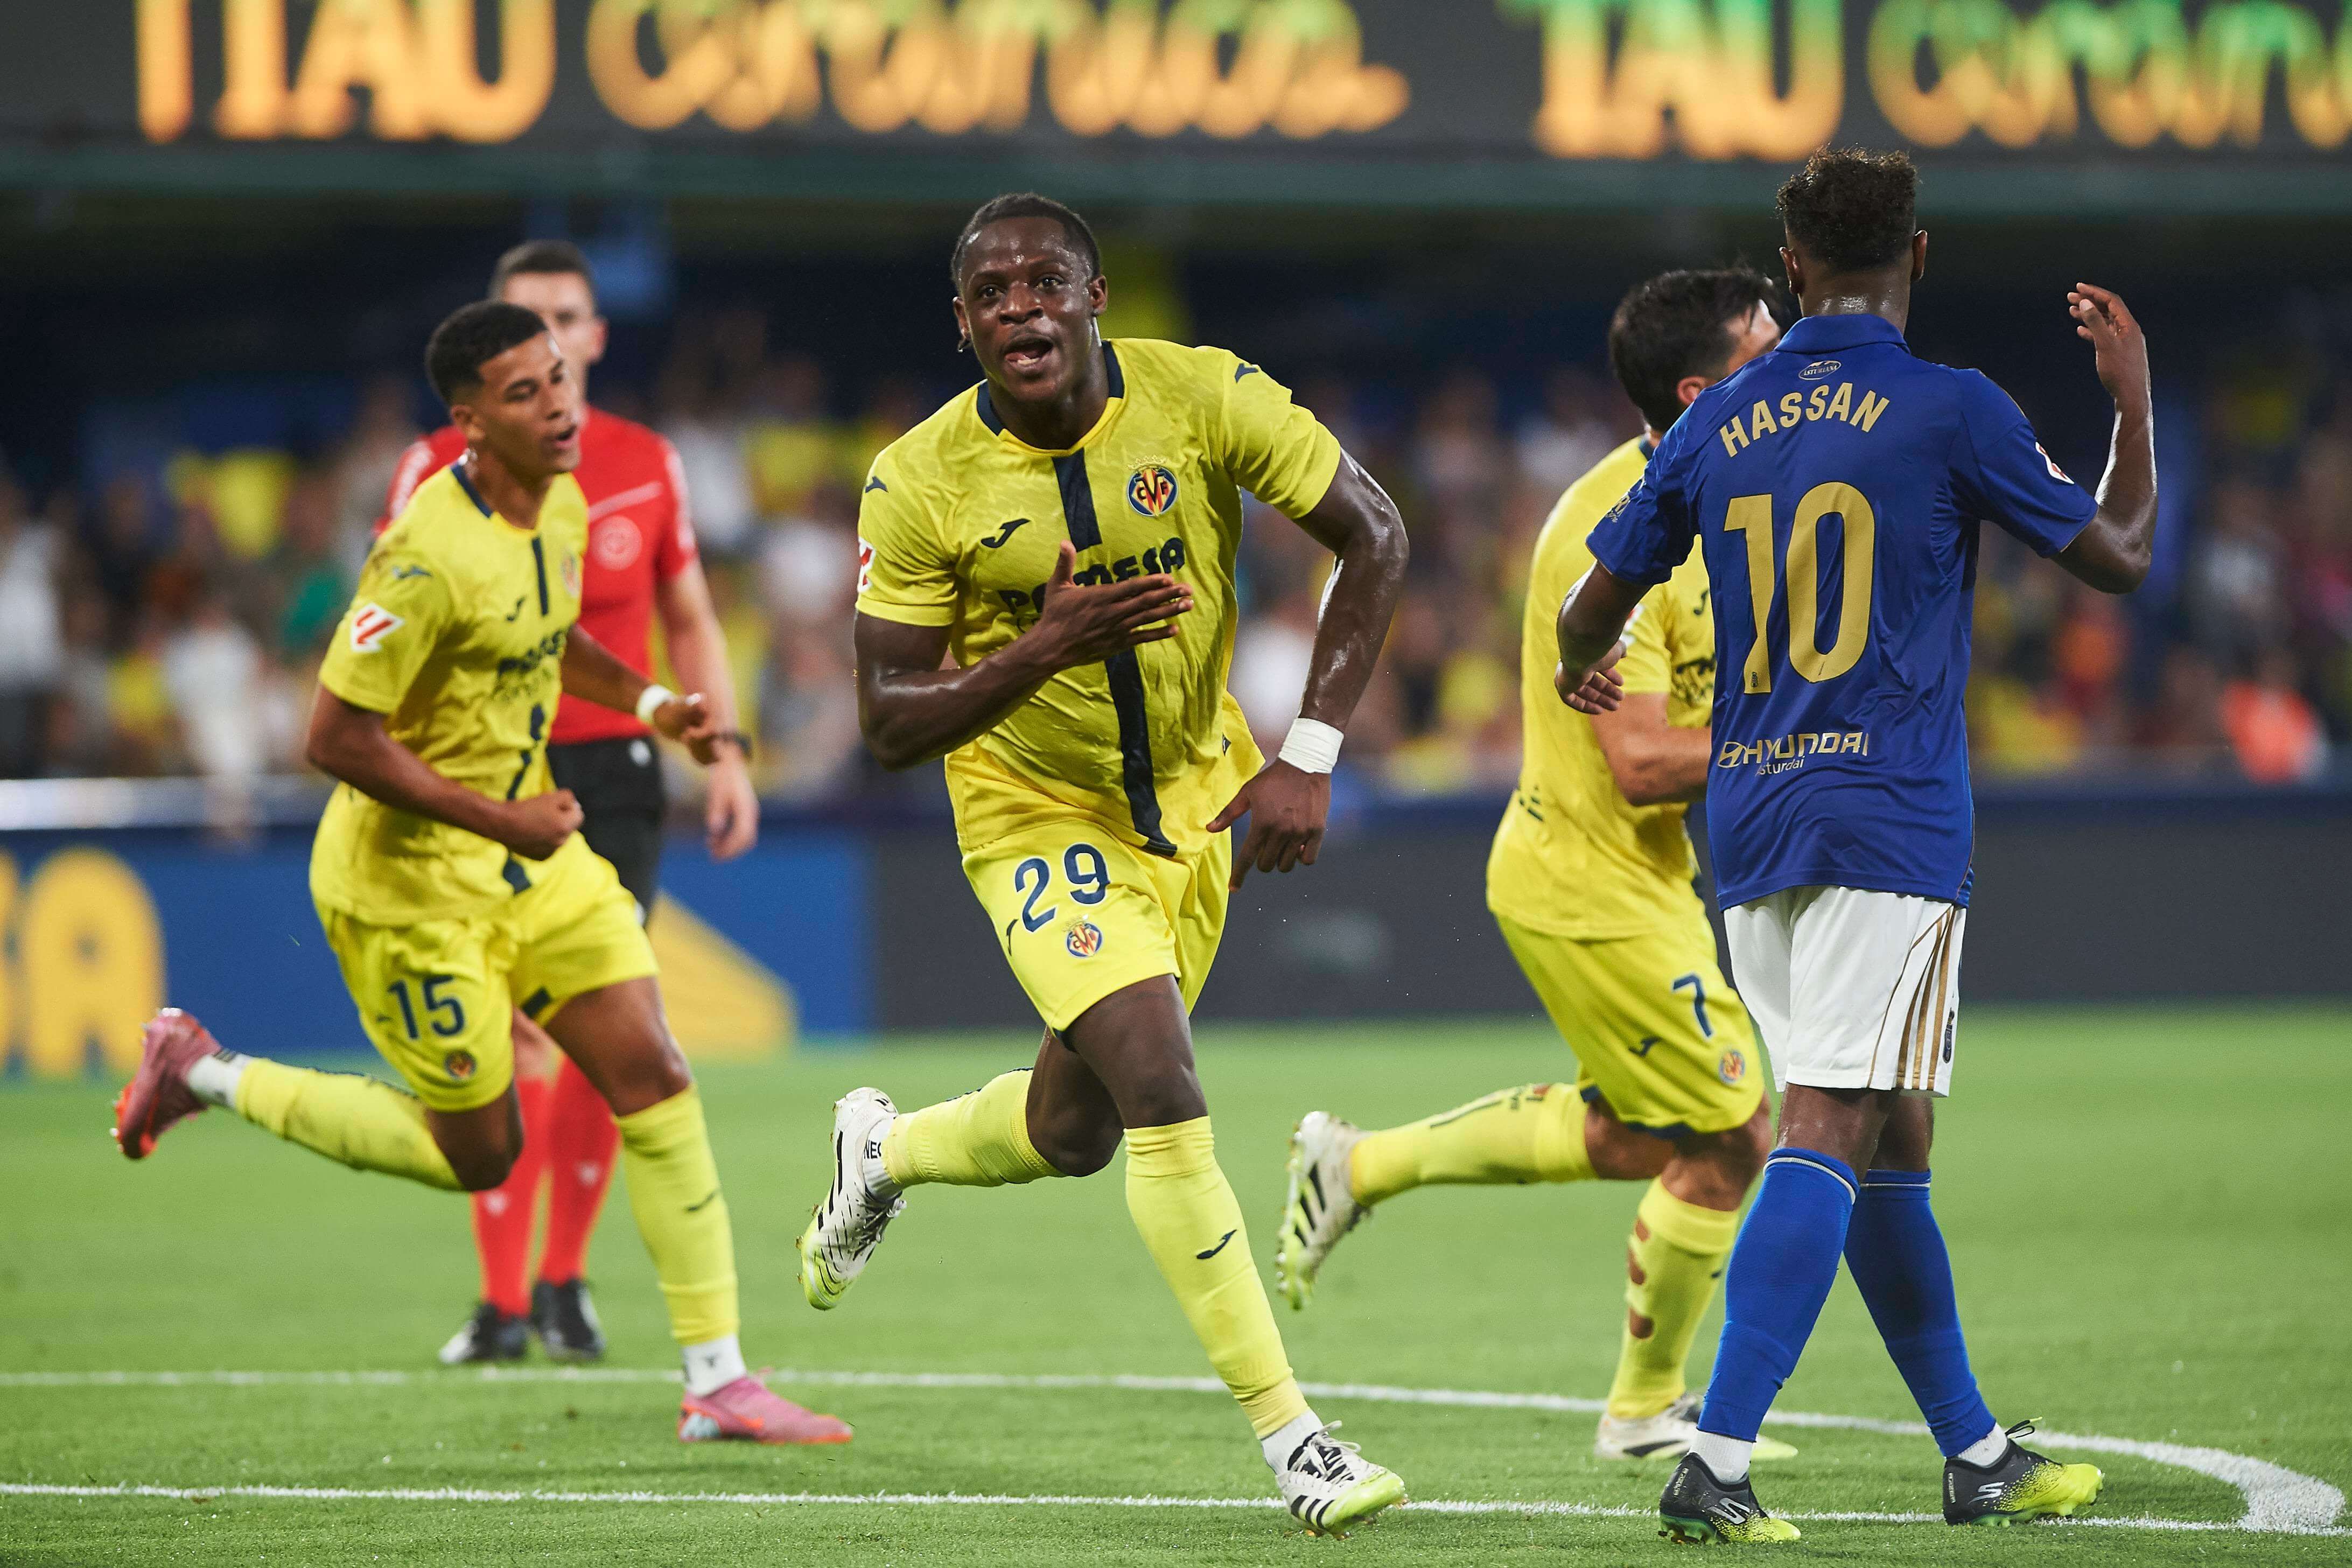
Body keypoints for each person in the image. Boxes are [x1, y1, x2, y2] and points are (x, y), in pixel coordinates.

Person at [113, 301, 849, 1447]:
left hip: (527, 861)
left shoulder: (559, 504)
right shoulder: (421, 553)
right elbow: (334, 737)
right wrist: (502, 814)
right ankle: (201, 1070)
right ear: (468, 421)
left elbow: (551, 641)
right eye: (525, 392)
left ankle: (718, 1379)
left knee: (652, 1070)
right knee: (483, 1153)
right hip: (411, 890)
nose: (559, 405)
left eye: (560, 379)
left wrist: (653, 706)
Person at [1554, 148, 2157, 1542]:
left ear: (1793, 267)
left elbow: (1592, 606)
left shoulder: (1716, 421)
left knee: (1889, 1132)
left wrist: (1589, 664)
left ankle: (1976, 1453)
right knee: (1830, 1121)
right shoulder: (1954, 407)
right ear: (1919, 256)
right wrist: (2130, 404)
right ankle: (1715, 1457)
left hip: (1755, 821)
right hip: (1888, 817)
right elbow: (2120, 555)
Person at [796, 193, 1411, 1535]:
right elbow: (888, 724)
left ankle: (883, 1153)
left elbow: (1376, 531)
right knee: (1162, 1081)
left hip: (1195, 794)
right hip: (1031, 811)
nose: (1021, 308)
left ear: (1094, 299)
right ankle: (1295, 1440)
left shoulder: (1202, 399)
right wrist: (1034, 649)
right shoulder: (917, 481)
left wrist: (1308, 750)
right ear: (964, 325)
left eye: (1045, 282)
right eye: (992, 294)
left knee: (1074, 1132)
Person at [1275, 269, 1803, 1467]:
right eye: (1771, 343)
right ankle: (1644, 1408)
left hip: (1636, 879)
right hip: (1588, 880)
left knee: (1638, 1135)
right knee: (1734, 1134)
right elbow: (1639, 758)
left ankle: (1355, 1166)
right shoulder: (1618, 533)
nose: (1797, 355)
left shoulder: (1751, 495)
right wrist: (1812, 740)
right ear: (1703, 389)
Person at [381, 241, 759, 1366]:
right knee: (509, 1029)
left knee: (608, 1021)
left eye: (568, 316)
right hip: (493, 768)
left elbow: (684, 613)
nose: (550, 333)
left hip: (615, 777)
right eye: (526, 315)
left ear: (593, 337)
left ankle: (562, 1283)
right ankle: (502, 1303)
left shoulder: (646, 460)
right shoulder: (436, 468)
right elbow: (396, 626)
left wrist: (725, 748)